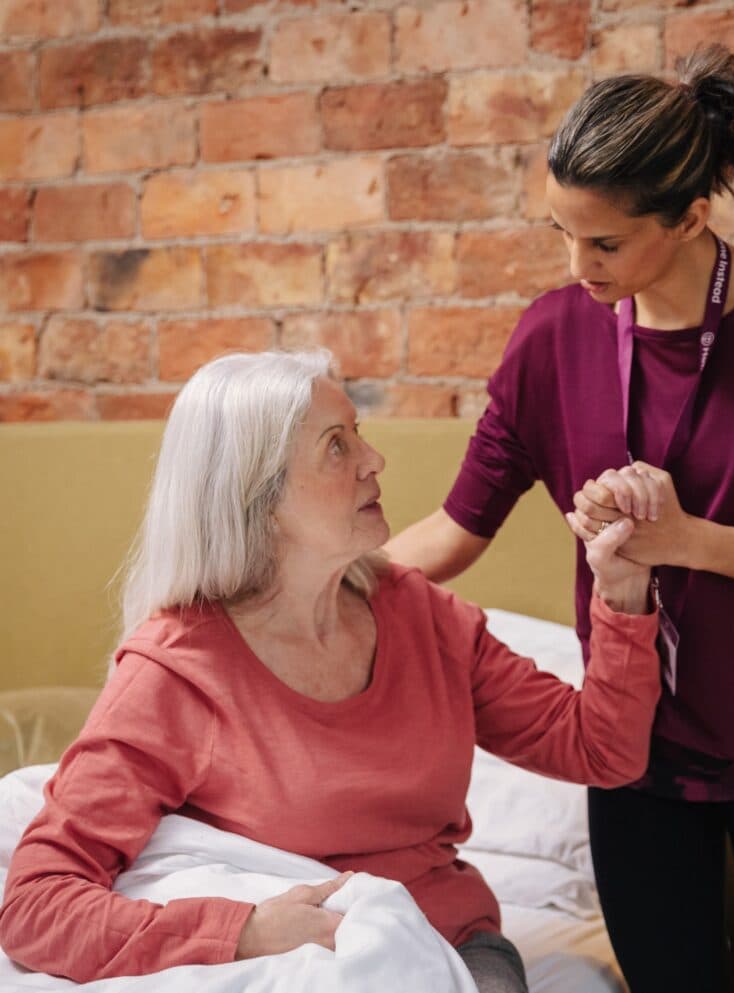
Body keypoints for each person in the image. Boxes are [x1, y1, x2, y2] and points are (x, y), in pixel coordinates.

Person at [385, 44, 734, 993]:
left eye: (605, 243)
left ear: (691, 217)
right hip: (635, 759)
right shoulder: (550, 337)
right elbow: (452, 533)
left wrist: (684, 540)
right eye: (562, 235)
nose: (578, 267)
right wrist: (297, 588)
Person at [0, 349, 663, 991]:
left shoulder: (421, 615)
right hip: (285, 960)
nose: (375, 460)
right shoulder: (177, 670)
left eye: (359, 435)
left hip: (447, 940)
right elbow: (37, 905)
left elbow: (601, 750)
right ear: (259, 498)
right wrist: (248, 930)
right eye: (337, 446)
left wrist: (623, 588)